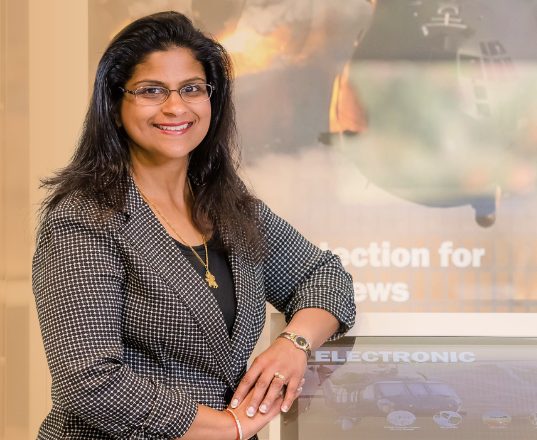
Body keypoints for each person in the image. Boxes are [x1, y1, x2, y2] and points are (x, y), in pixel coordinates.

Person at [32, 11, 356, 440]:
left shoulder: (230, 208)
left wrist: (293, 345)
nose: (176, 106)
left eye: (191, 89)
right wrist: (228, 427)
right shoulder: (83, 220)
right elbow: (88, 381)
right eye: (151, 91)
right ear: (113, 106)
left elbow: (325, 276)